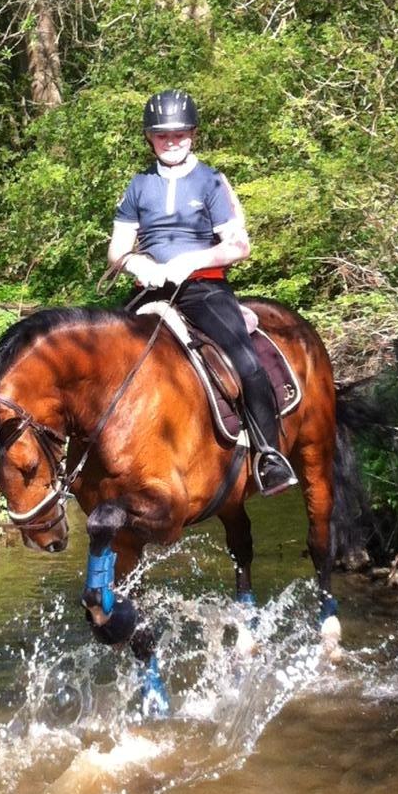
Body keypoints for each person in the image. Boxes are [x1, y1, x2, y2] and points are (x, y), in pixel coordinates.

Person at [107, 88, 297, 496]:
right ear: (150, 139)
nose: (171, 141)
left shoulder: (212, 180)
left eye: (178, 134)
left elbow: (238, 245)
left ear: (192, 134)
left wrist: (192, 261)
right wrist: (137, 263)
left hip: (203, 289)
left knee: (245, 364)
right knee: (106, 361)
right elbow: (118, 247)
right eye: (162, 135)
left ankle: (268, 455)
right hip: (150, 291)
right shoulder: (138, 186)